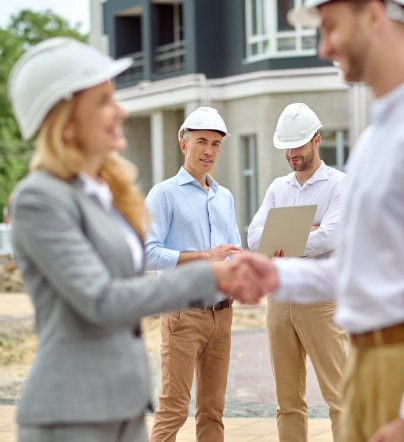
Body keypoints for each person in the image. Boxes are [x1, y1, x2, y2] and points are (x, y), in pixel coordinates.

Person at [231, 1, 404, 442]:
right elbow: (361, 268)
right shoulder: (376, 138)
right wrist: (276, 274)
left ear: (374, 15)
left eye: (330, 27)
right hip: (367, 364)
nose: (323, 47)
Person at [8, 37, 261, 442]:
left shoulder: (104, 192)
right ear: (65, 117)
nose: (120, 109)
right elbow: (100, 300)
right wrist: (210, 275)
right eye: (104, 100)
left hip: (121, 403)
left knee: (213, 411)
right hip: (70, 413)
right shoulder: (40, 199)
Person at [247, 103, 347, 442]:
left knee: (340, 398)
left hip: (321, 304)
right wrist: (309, 229)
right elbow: (253, 235)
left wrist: (283, 238)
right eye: (286, 146)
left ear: (317, 140)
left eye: (298, 145)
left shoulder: (338, 186)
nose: (291, 153)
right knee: (287, 402)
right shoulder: (278, 187)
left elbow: (331, 236)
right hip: (279, 302)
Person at [145, 107, 242, 442]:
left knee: (213, 411)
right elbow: (147, 253)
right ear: (183, 143)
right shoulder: (164, 194)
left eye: (216, 144)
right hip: (183, 315)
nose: (209, 151)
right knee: (173, 408)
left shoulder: (224, 197)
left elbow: (233, 252)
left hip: (222, 315)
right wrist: (204, 256)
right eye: (201, 141)